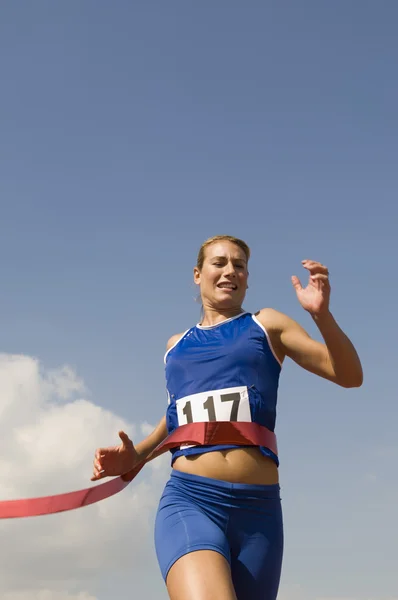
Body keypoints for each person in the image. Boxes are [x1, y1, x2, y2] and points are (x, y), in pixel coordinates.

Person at [91, 235, 363, 600]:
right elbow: (179, 420)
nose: (230, 271)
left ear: (247, 279)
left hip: (260, 512)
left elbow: (349, 375)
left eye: (239, 265)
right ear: (197, 274)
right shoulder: (176, 346)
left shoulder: (267, 325)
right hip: (192, 501)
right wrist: (136, 456)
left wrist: (321, 316)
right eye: (219, 263)